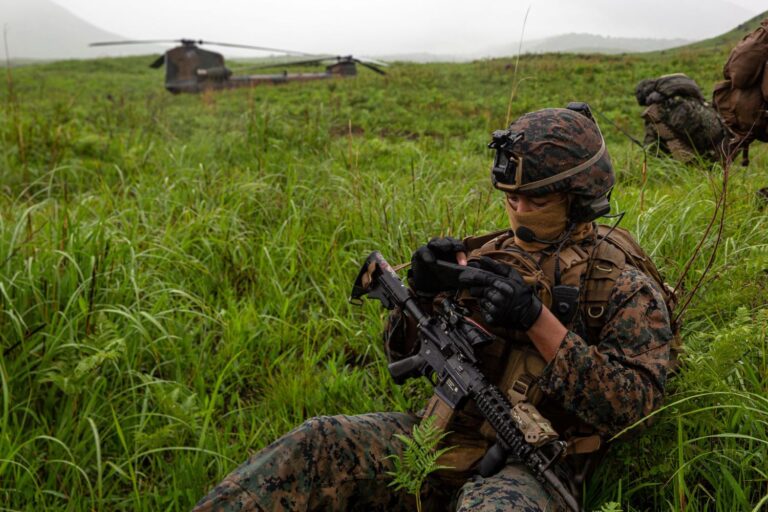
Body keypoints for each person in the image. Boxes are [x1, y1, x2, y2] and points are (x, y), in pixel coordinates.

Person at [192, 104, 676, 512]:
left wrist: (536, 322)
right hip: (440, 437)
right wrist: (419, 298)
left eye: (536, 198)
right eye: (510, 198)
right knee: (316, 442)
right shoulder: (486, 257)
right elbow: (401, 354)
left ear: (580, 198)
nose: (519, 211)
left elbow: (635, 405)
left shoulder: (619, 285)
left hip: (528, 464)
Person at [635, 73, 727, 162]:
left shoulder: (658, 111)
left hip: (703, 154)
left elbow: (651, 149)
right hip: (722, 142)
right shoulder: (688, 99)